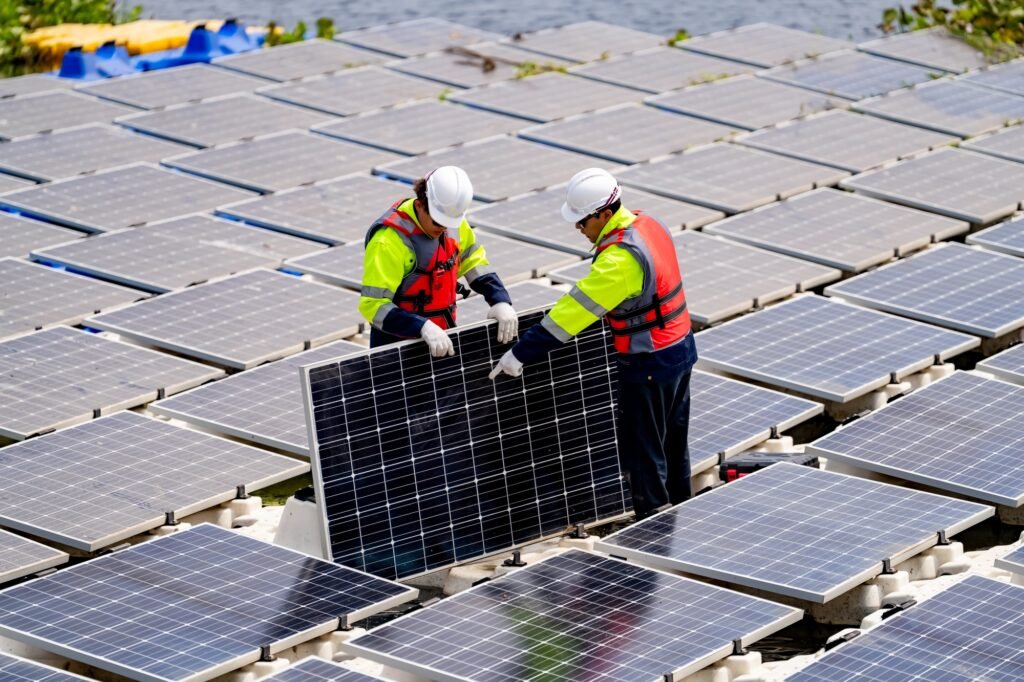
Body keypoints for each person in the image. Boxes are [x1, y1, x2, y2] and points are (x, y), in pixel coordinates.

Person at [489, 168, 698, 519]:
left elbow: (571, 314)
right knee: (673, 445)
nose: (578, 227)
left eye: (582, 220)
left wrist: (520, 353)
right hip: (680, 349)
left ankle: (656, 531)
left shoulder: (620, 260)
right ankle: (681, 518)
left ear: (604, 214)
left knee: (644, 456)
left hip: (649, 363)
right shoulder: (649, 224)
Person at [359, 166, 518, 356]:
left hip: (442, 338)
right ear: (420, 205)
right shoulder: (388, 242)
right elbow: (373, 305)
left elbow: (474, 261)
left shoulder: (452, 224)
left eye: (448, 224)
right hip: (395, 348)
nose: (443, 228)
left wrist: (500, 300)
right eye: (437, 221)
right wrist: (422, 327)